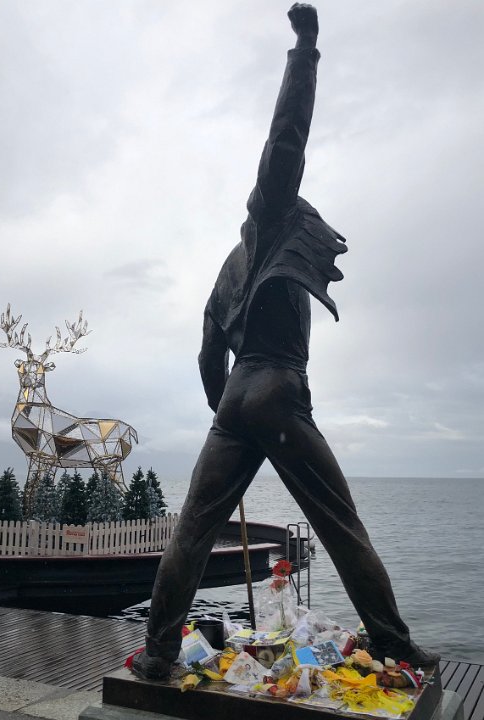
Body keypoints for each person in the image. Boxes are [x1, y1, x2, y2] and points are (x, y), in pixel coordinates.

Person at [133, 3, 440, 680]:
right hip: (276, 386)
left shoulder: (229, 270)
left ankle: (157, 654)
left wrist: (226, 416)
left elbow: (207, 354)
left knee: (192, 528)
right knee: (339, 522)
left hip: (235, 399)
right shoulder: (273, 213)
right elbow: (287, 136)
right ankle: (393, 642)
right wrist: (306, 48)